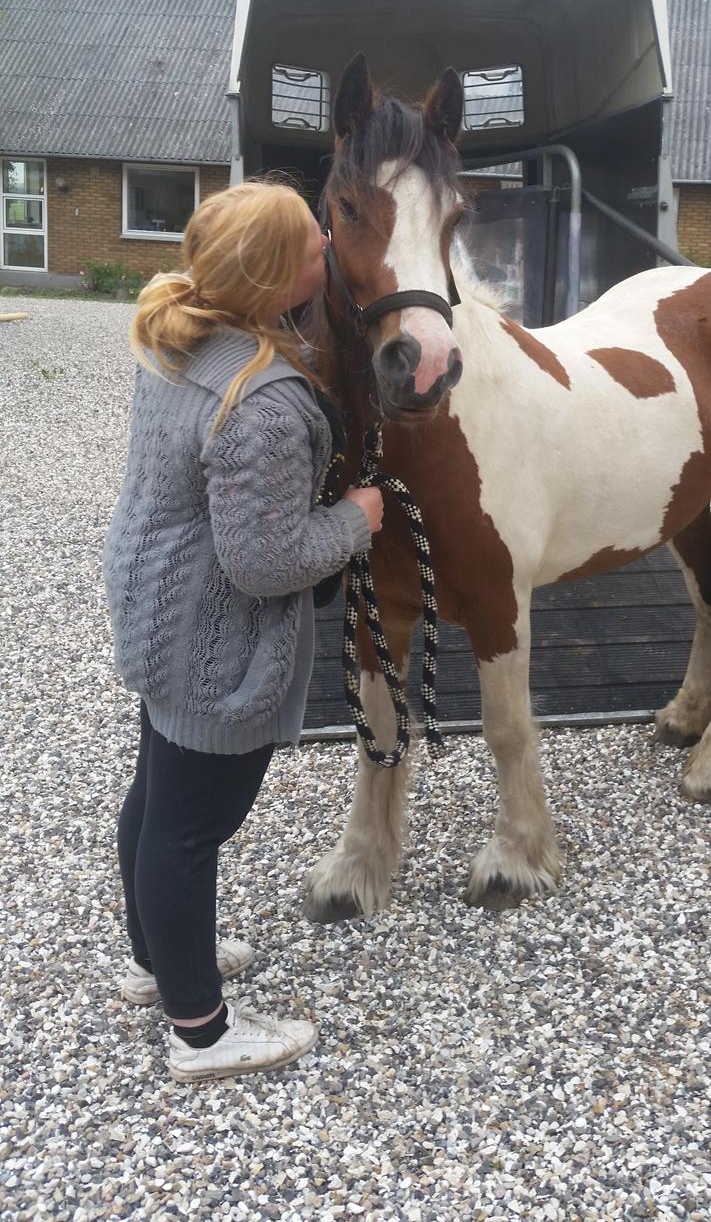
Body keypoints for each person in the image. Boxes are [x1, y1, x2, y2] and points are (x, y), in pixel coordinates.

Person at [103, 178, 383, 1083]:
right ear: (274, 282)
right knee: (191, 826)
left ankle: (158, 961)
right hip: (211, 641)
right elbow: (264, 563)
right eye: (311, 245)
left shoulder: (181, 338)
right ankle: (201, 1029)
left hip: (155, 607)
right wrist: (359, 517)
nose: (328, 251)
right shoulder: (260, 402)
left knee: (157, 797)